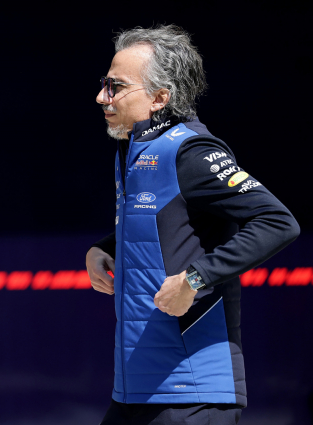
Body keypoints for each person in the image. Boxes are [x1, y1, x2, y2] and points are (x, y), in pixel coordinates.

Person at [85, 25, 299, 425]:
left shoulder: (191, 150)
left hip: (193, 395)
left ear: (159, 97)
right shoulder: (134, 149)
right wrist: (105, 247)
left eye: (116, 86)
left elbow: (277, 222)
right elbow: (165, 222)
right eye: (104, 84)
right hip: (137, 391)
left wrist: (195, 279)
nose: (102, 96)